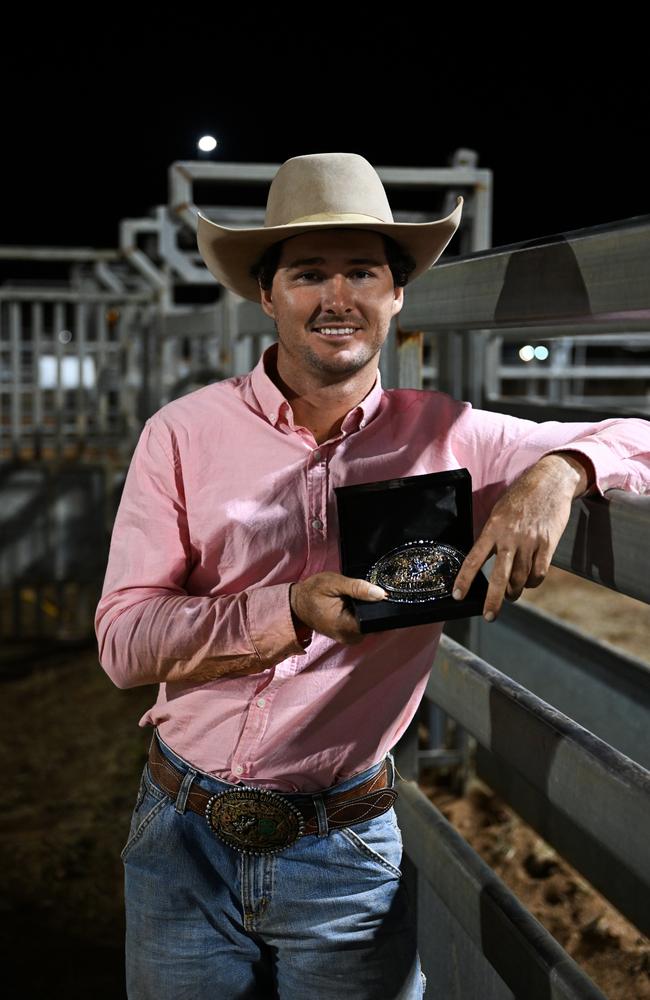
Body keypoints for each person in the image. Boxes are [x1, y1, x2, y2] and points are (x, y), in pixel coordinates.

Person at [94, 152, 650, 999]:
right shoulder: (181, 434)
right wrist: (286, 610)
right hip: (182, 840)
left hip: (343, 849)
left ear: (398, 294)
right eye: (310, 272)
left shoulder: (450, 435)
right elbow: (125, 645)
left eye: (362, 270)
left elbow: (641, 439)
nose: (337, 297)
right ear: (268, 293)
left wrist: (562, 469)